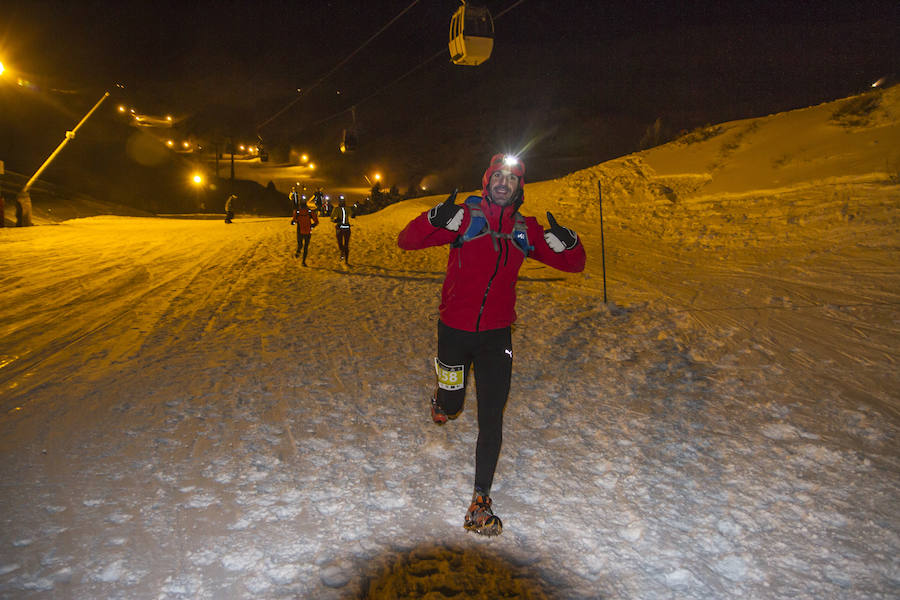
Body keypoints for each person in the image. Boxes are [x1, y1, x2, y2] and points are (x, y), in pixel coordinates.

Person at [397, 153, 586, 536]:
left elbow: (575, 265)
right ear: (487, 181)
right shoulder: (466, 219)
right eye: (497, 176)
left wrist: (569, 243)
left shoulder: (525, 231)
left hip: (496, 336)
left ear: (518, 188)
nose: (504, 182)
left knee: (491, 415)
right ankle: (443, 401)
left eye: (511, 179)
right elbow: (407, 241)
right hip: (453, 329)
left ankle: (480, 500)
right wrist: (434, 218)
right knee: (453, 404)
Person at [291, 198, 319, 265]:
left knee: (300, 244)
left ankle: (298, 251)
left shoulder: (297, 211)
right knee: (306, 247)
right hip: (308, 231)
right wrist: (312, 226)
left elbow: (294, 220)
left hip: (300, 230)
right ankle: (303, 261)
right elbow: (316, 221)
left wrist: (293, 222)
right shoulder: (309, 211)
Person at [331, 196, 352, 265]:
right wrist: (335, 220)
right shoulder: (336, 209)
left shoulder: (347, 208)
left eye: (343, 201)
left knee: (346, 245)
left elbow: (351, 214)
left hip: (346, 228)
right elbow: (332, 218)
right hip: (339, 228)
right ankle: (342, 252)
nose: (342, 202)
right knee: (340, 244)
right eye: (341, 201)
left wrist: (353, 215)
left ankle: (346, 260)